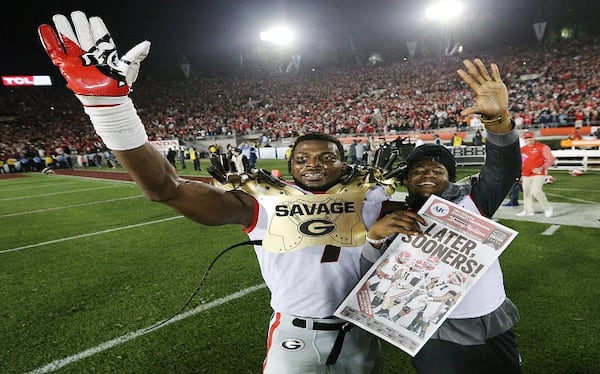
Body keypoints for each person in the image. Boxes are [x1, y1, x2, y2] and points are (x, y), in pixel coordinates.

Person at [37, 12, 509, 373]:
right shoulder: (263, 202)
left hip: (365, 333)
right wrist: (110, 108)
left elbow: (446, 209)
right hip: (294, 336)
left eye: (326, 156)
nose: (314, 164)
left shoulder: (376, 199)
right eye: (302, 158)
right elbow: (167, 189)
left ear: (345, 162)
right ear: (286, 167)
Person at [362, 59, 523, 373]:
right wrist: (374, 238)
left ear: (451, 177)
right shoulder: (392, 217)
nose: (426, 174)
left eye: (437, 170)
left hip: (493, 321)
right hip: (433, 331)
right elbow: (371, 281)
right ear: (405, 180)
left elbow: (504, 168)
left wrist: (498, 120)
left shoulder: (474, 200)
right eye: (417, 171)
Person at [517, 131, 555, 217]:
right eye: (526, 138)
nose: (528, 140)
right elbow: (521, 162)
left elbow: (550, 159)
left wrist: (542, 167)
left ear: (533, 137)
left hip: (538, 173)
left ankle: (547, 208)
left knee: (536, 191)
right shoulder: (522, 149)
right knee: (526, 193)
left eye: (530, 138)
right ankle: (528, 211)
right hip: (526, 174)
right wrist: (521, 174)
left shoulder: (543, 147)